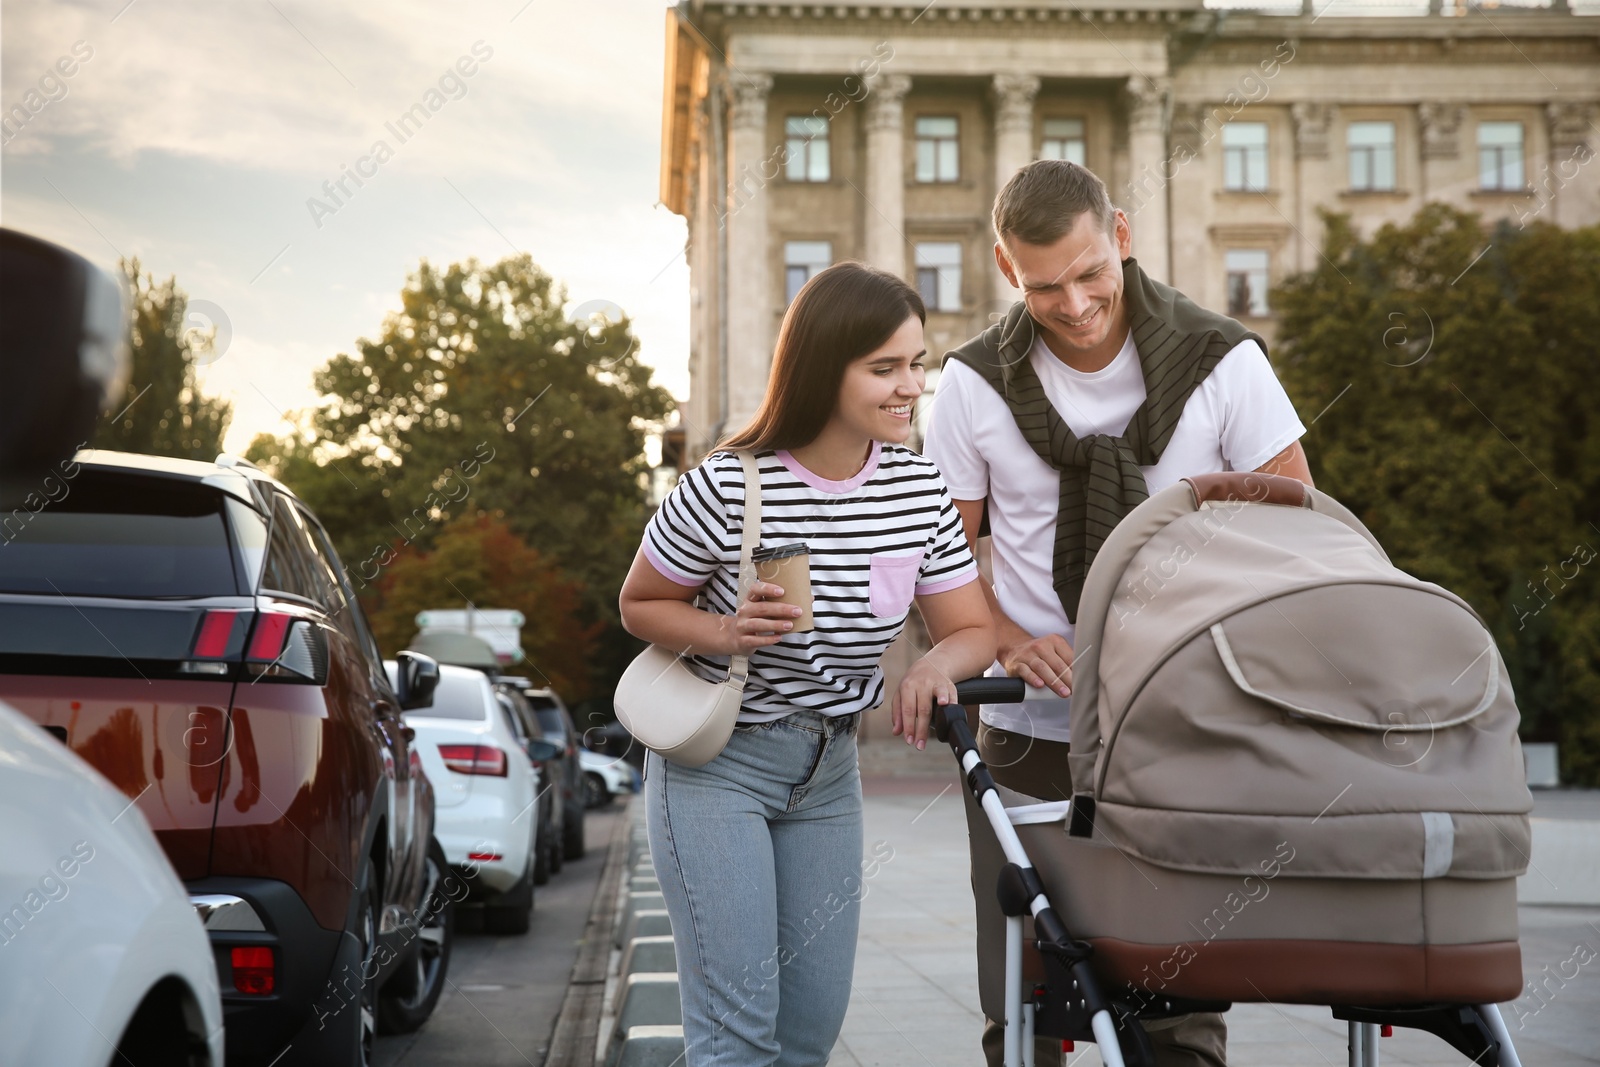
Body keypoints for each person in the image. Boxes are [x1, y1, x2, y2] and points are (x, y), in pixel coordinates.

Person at [922, 159, 1314, 1067]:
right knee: (1024, 992)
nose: (1076, 303)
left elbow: (1299, 532)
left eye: (1092, 272)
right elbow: (938, 559)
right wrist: (1012, 643)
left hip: (1183, 717)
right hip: (1027, 725)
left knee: (1178, 993)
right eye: (1044, 285)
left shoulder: (1225, 360)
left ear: (1123, 237)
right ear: (1005, 268)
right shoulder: (974, 383)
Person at [618, 261, 998, 1067]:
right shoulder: (726, 483)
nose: (911, 386)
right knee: (737, 1037)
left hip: (830, 773)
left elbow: (972, 628)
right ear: (826, 366)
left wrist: (937, 667)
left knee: (807, 1036)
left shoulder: (919, 490)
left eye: (917, 364)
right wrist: (725, 631)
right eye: (886, 368)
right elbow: (639, 604)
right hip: (717, 768)